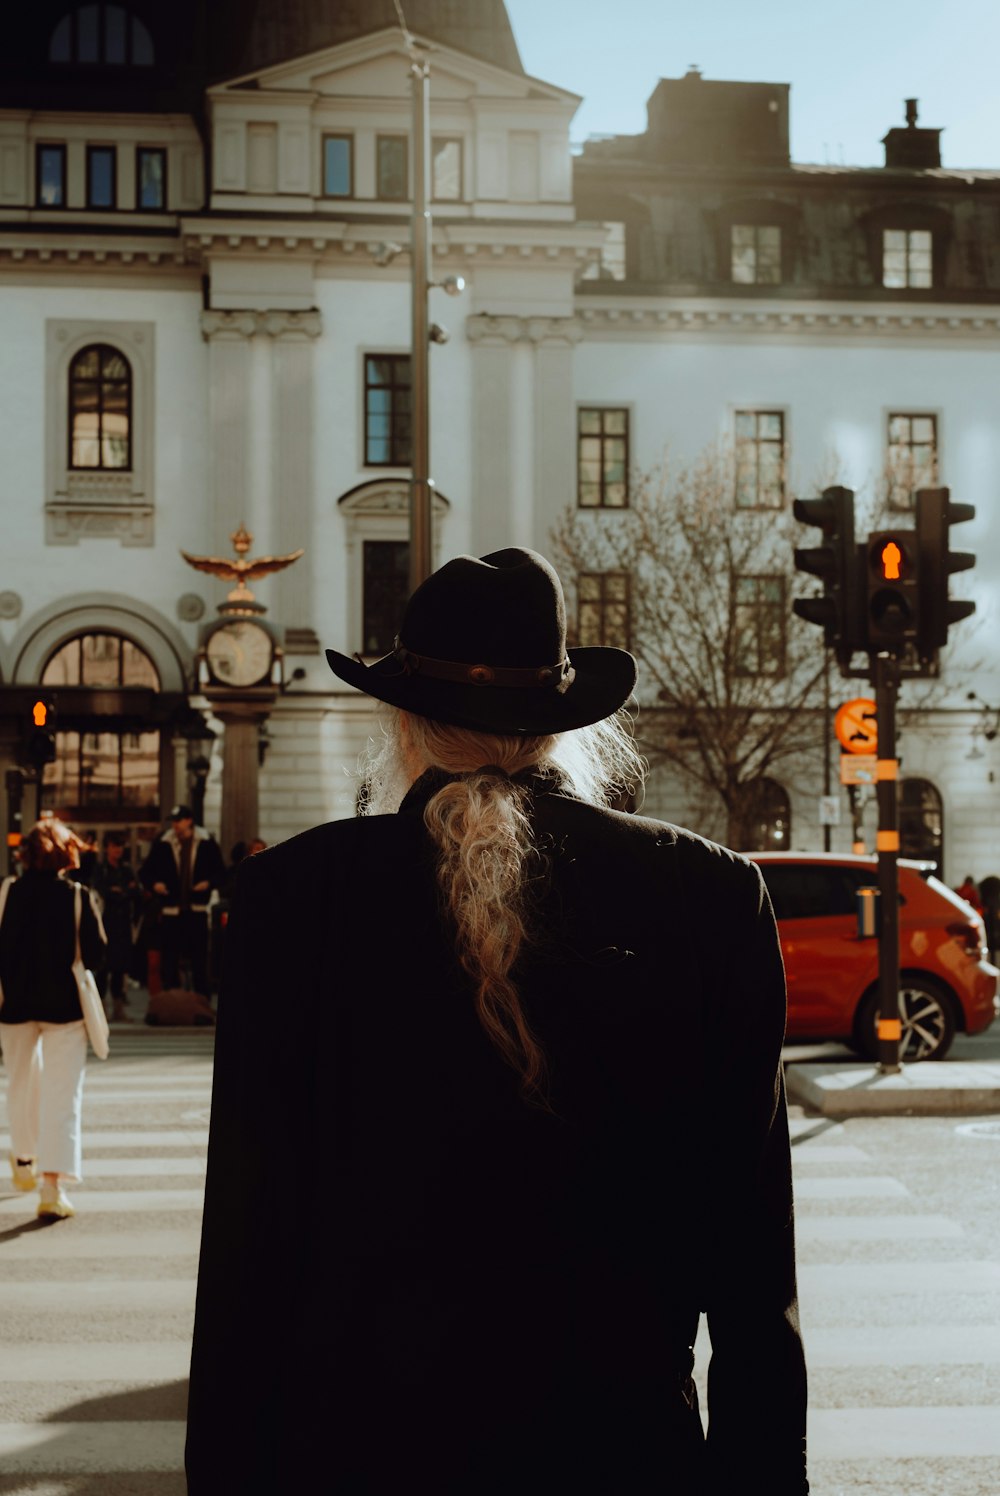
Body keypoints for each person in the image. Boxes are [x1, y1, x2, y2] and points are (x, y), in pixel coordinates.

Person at [186, 548, 809, 1495]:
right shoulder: (710, 898)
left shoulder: (291, 899)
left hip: (356, 1453)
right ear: (566, 726)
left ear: (405, 724)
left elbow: (247, 1247)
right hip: (620, 1453)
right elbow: (752, 1260)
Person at [0, 817, 106, 1219]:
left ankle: (23, 1160)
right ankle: (51, 1187)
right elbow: (96, 955)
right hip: (64, 1009)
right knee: (63, 1097)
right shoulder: (77, 896)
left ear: (25, 854)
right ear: (67, 853)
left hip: (14, 1007)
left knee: (21, 1086)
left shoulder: (8, 892)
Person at [138, 805, 225, 997]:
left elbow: (220, 872)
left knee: (198, 958)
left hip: (197, 908)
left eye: (179, 821)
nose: (175, 825)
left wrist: (208, 883)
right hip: (171, 908)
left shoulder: (206, 842)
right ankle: (172, 998)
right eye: (173, 821)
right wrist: (155, 885)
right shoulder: (164, 842)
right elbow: (146, 872)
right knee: (170, 956)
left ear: (189, 821)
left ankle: (201, 998)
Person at [91, 832, 139, 1022]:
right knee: (103, 968)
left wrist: (121, 891)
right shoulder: (100, 869)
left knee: (120, 967)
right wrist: (120, 891)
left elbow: (135, 891)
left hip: (123, 924)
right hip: (105, 922)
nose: (117, 850)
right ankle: (101, 1008)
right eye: (114, 846)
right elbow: (102, 890)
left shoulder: (126, 869)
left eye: (120, 847)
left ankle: (118, 1008)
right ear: (106, 848)